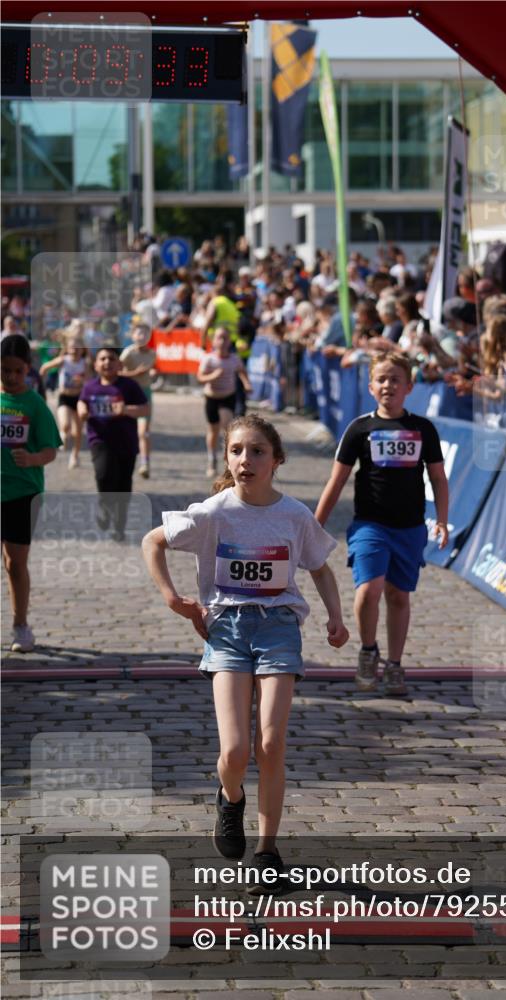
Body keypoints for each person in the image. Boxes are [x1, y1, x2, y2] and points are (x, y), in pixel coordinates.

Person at [142, 414, 349, 872]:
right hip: (229, 632)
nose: (245, 460)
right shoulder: (214, 511)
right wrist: (174, 599)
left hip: (279, 629)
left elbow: (319, 567)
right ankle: (229, 797)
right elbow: (152, 542)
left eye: (257, 451)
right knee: (235, 752)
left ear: (277, 460)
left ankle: (267, 850)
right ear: (226, 457)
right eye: (237, 451)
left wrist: (335, 617)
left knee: (271, 743)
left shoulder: (294, 515)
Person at [315, 352, 449, 696]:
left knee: (398, 595)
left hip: (410, 527)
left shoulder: (423, 429)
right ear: (371, 386)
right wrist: (315, 525)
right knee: (368, 590)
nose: (388, 385)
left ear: (409, 386)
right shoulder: (360, 429)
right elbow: (336, 481)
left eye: (395, 379)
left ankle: (394, 664)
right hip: (369, 525)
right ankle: (368, 651)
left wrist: (443, 521)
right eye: (382, 379)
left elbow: (438, 477)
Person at [1, 334, 61, 652]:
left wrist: (33, 458)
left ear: (28, 369)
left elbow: (51, 449)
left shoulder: (35, 405)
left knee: (14, 562)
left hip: (24, 492)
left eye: (17, 371)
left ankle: (20, 625)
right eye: (4, 370)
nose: (10, 377)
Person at [77, 346, 149, 542]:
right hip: (99, 440)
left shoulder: (129, 386)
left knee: (123, 486)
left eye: (111, 359)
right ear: (96, 364)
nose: (107, 362)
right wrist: (82, 410)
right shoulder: (90, 386)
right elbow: (82, 402)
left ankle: (119, 527)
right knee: (103, 475)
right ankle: (104, 506)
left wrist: (125, 409)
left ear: (119, 364)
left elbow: (144, 409)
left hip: (126, 443)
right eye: (102, 359)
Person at [197, 327, 252, 479]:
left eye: (225, 338)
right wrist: (213, 376)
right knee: (213, 431)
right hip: (211, 397)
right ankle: (211, 459)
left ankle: (228, 462)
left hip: (228, 396)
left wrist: (246, 383)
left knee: (226, 426)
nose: (222, 341)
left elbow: (242, 371)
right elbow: (200, 377)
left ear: (230, 342)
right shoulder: (209, 359)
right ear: (213, 341)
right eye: (219, 338)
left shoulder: (234, 359)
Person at [39, 334, 90, 469]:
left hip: (79, 398)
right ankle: (63, 434)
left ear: (82, 349)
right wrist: (40, 383)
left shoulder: (84, 363)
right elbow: (45, 367)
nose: (75, 350)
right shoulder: (63, 360)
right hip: (64, 397)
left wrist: (83, 380)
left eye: (78, 347)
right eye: (72, 347)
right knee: (65, 424)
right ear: (67, 348)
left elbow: (90, 381)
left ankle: (75, 455)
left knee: (77, 431)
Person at [120, 322, 157, 479]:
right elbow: (117, 372)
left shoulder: (152, 354)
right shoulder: (128, 353)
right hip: (129, 394)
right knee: (126, 430)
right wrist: (135, 373)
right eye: (139, 333)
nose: (142, 337)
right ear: (133, 335)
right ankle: (124, 460)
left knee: (144, 432)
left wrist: (152, 373)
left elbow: (152, 369)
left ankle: (145, 463)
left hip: (145, 393)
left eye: (146, 334)